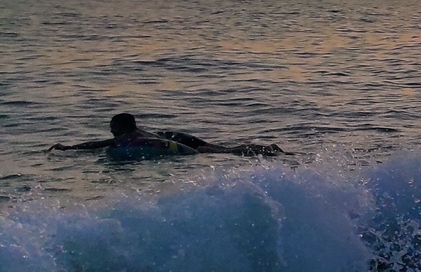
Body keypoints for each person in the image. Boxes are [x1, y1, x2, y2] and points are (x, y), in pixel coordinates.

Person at [49, 113, 285, 158]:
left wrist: (69, 148)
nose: (111, 130)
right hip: (179, 143)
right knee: (220, 149)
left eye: (114, 126)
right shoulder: (139, 131)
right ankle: (265, 148)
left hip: (184, 151)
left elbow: (99, 144)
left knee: (221, 153)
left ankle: (265, 150)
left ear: (123, 127)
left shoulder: (125, 138)